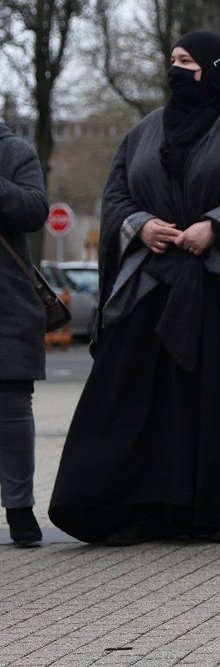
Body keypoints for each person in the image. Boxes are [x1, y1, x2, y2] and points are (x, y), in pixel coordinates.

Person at [49, 30, 220, 545]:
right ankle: (112, 508)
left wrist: (216, 225)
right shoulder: (145, 130)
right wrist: (141, 226)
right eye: (172, 60)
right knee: (121, 395)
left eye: (187, 61)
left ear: (216, 67)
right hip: (148, 285)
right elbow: (117, 194)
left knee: (202, 405)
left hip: (215, 288)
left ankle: (198, 513)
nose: (176, 69)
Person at [0, 119, 50, 547]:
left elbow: (35, 211)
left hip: (7, 304)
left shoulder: (15, 151)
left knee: (12, 407)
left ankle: (19, 509)